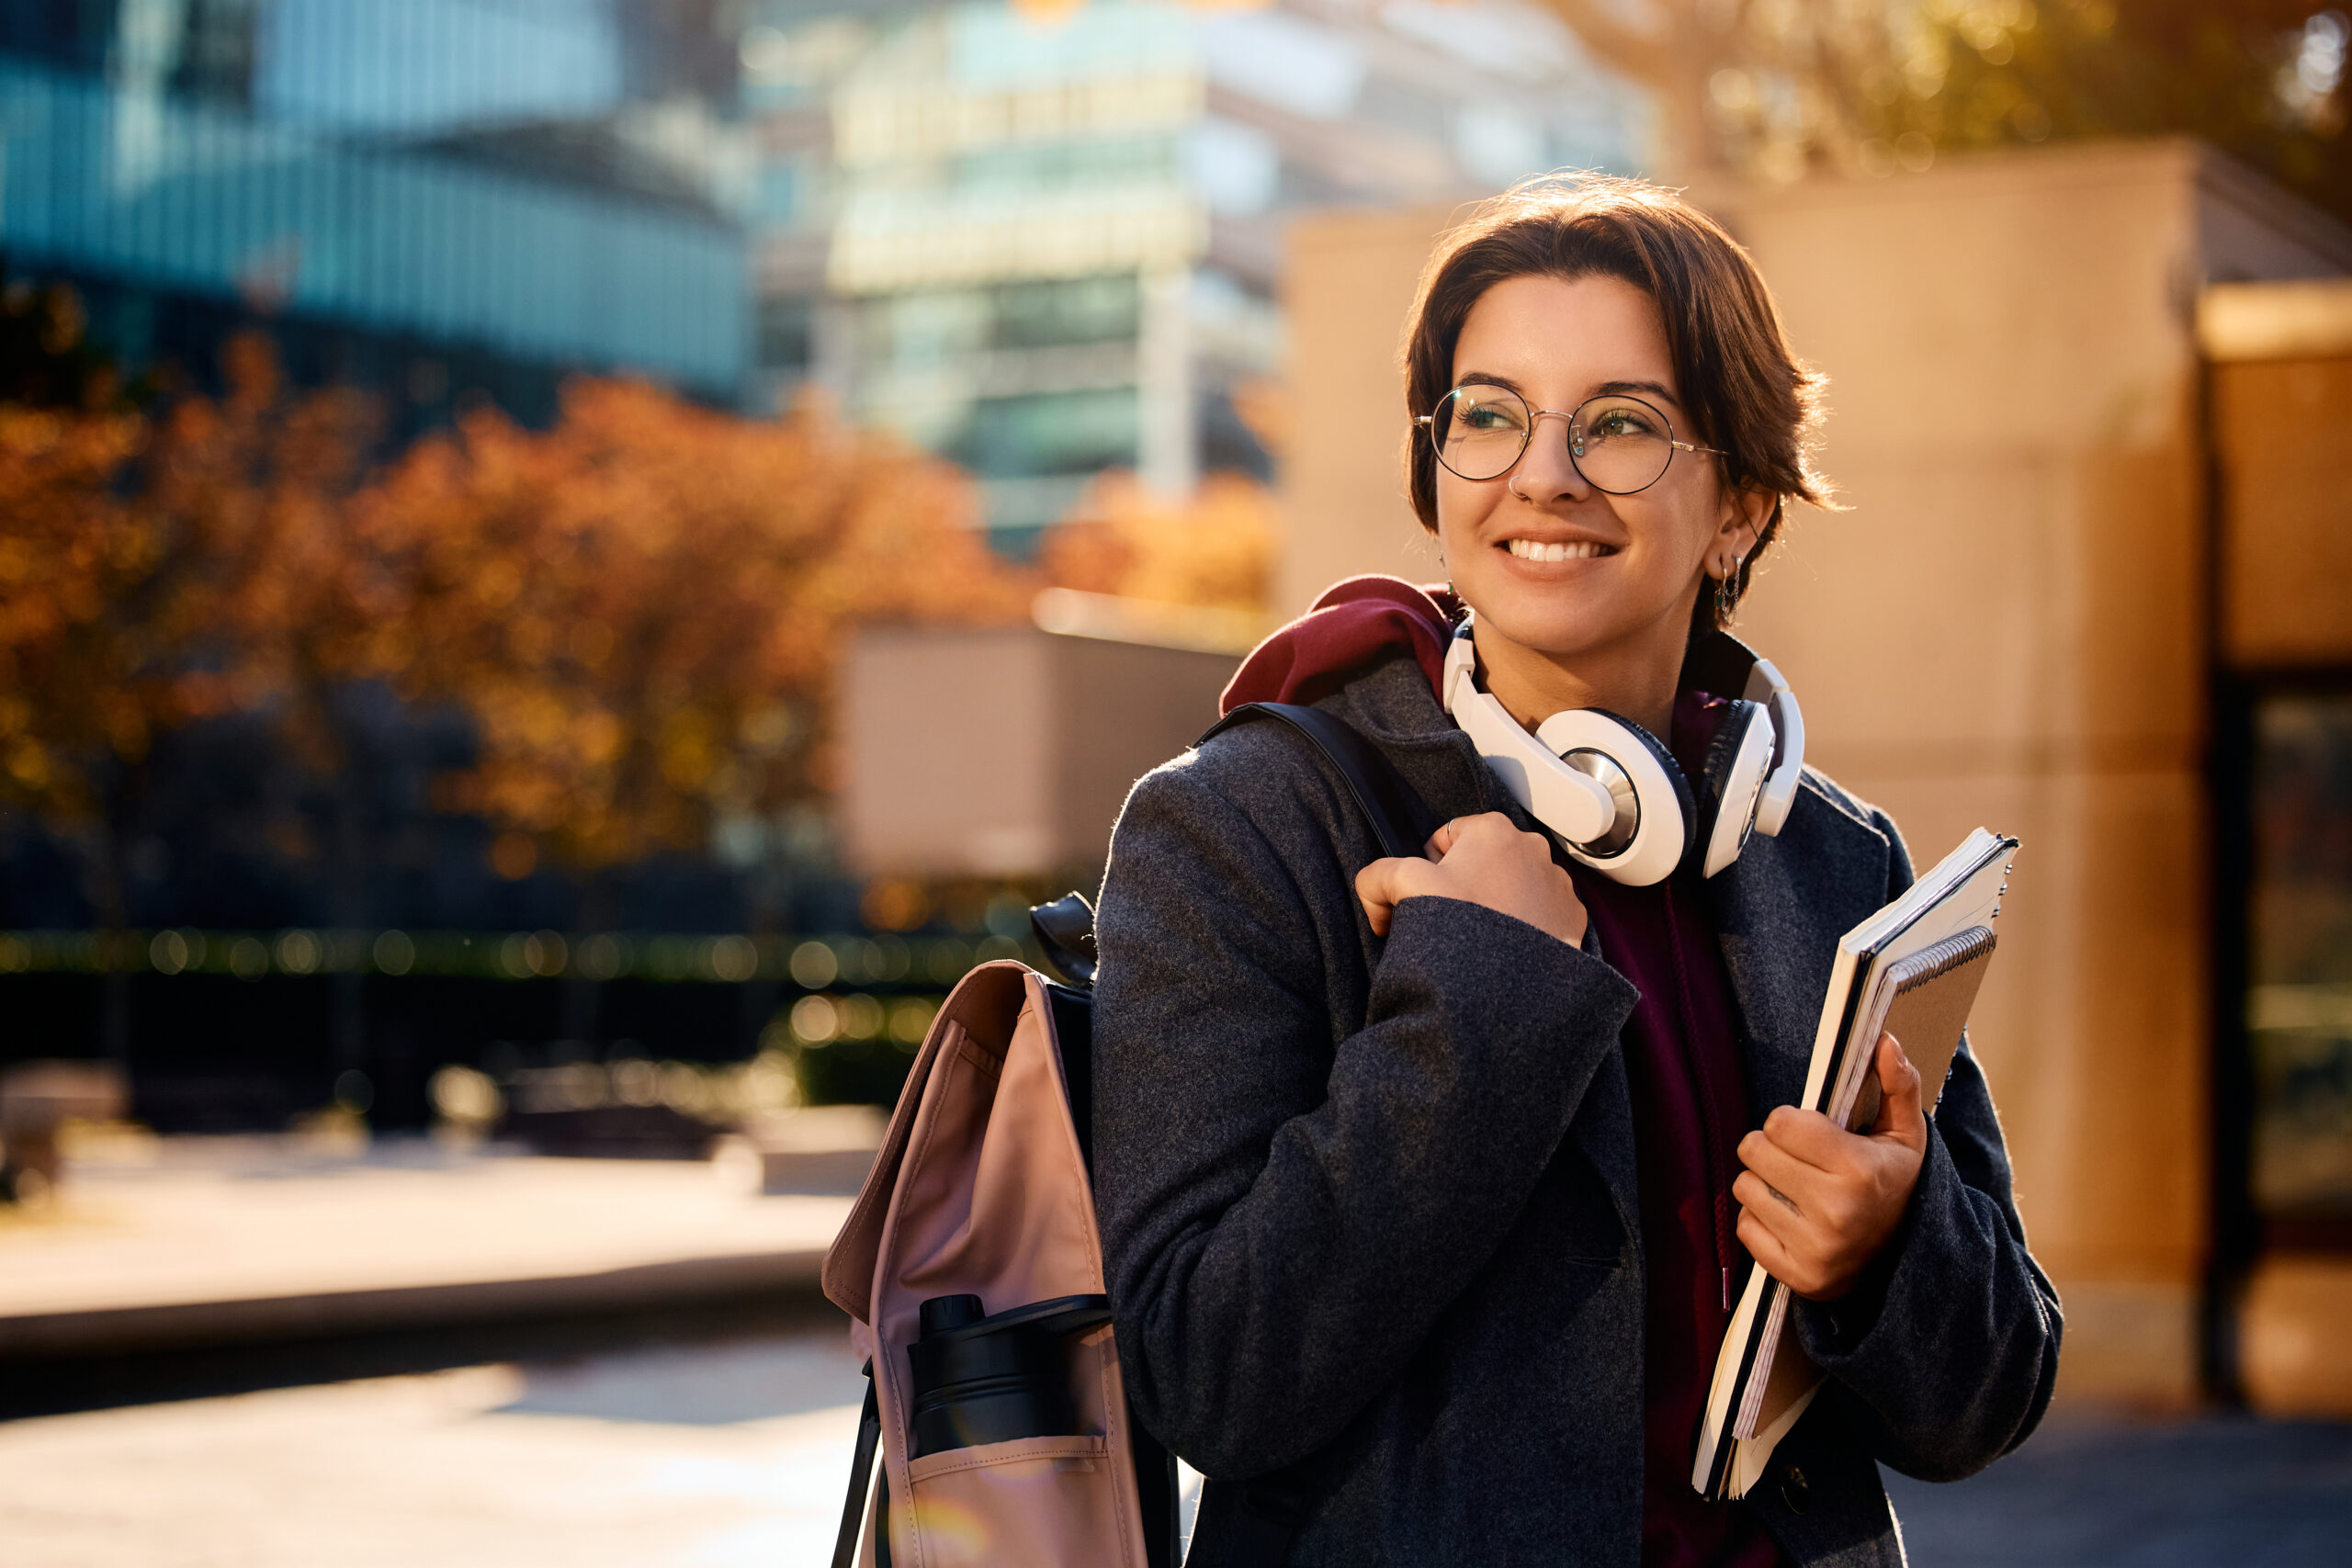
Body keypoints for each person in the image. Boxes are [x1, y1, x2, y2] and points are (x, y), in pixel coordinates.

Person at [1089, 175, 2061, 1567]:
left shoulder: (1832, 858)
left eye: (1620, 424)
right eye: (1488, 417)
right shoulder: (1247, 826)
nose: (1543, 474)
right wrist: (1478, 1006)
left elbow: (1995, 1394)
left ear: (1739, 511)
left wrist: (1888, 1247)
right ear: (1435, 473)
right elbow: (1209, 1375)